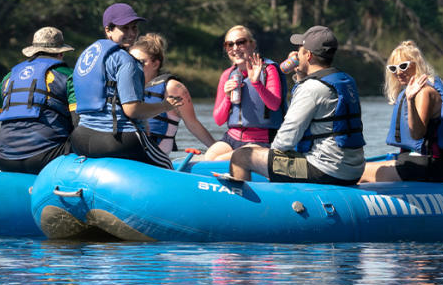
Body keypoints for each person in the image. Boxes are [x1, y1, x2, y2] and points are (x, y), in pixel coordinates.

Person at [228, 25, 365, 185]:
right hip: (353, 169)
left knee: (241, 156)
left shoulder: (310, 89)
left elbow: (285, 141)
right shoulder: (345, 80)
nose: (295, 54)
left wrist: (267, 158)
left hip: (324, 170)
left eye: (299, 50)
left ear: (308, 55)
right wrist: (300, 73)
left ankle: (247, 206)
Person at [69, 3, 183, 168]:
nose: (132, 34)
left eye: (134, 28)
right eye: (125, 28)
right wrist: (165, 105)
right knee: (167, 166)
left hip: (81, 138)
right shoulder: (126, 60)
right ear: (108, 29)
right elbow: (132, 110)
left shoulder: (86, 56)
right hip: (116, 138)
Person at [0, 26, 77, 174]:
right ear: (61, 53)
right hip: (47, 158)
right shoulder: (69, 76)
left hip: (7, 159)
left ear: (33, 52)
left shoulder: (11, 76)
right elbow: (79, 121)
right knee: (84, 136)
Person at [360, 40, 443, 183]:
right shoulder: (421, 89)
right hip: (422, 163)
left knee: (361, 172)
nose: (398, 72)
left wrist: (410, 100)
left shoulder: (425, 92)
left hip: (431, 166)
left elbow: (417, 134)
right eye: (393, 68)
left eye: (403, 66)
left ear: (416, 65)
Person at [202, 25, 287, 161]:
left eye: (240, 42)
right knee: (209, 157)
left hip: (263, 140)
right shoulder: (227, 75)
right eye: (229, 44)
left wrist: (257, 83)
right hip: (232, 138)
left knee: (219, 160)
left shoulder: (269, 70)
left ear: (252, 45)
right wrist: (227, 97)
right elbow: (218, 120)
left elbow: (274, 105)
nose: (235, 48)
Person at [128, 33, 216, 156]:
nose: (135, 67)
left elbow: (192, 124)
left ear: (155, 64)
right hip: (129, 155)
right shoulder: (127, 88)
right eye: (131, 62)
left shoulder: (173, 88)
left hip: (155, 159)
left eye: (141, 62)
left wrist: (216, 149)